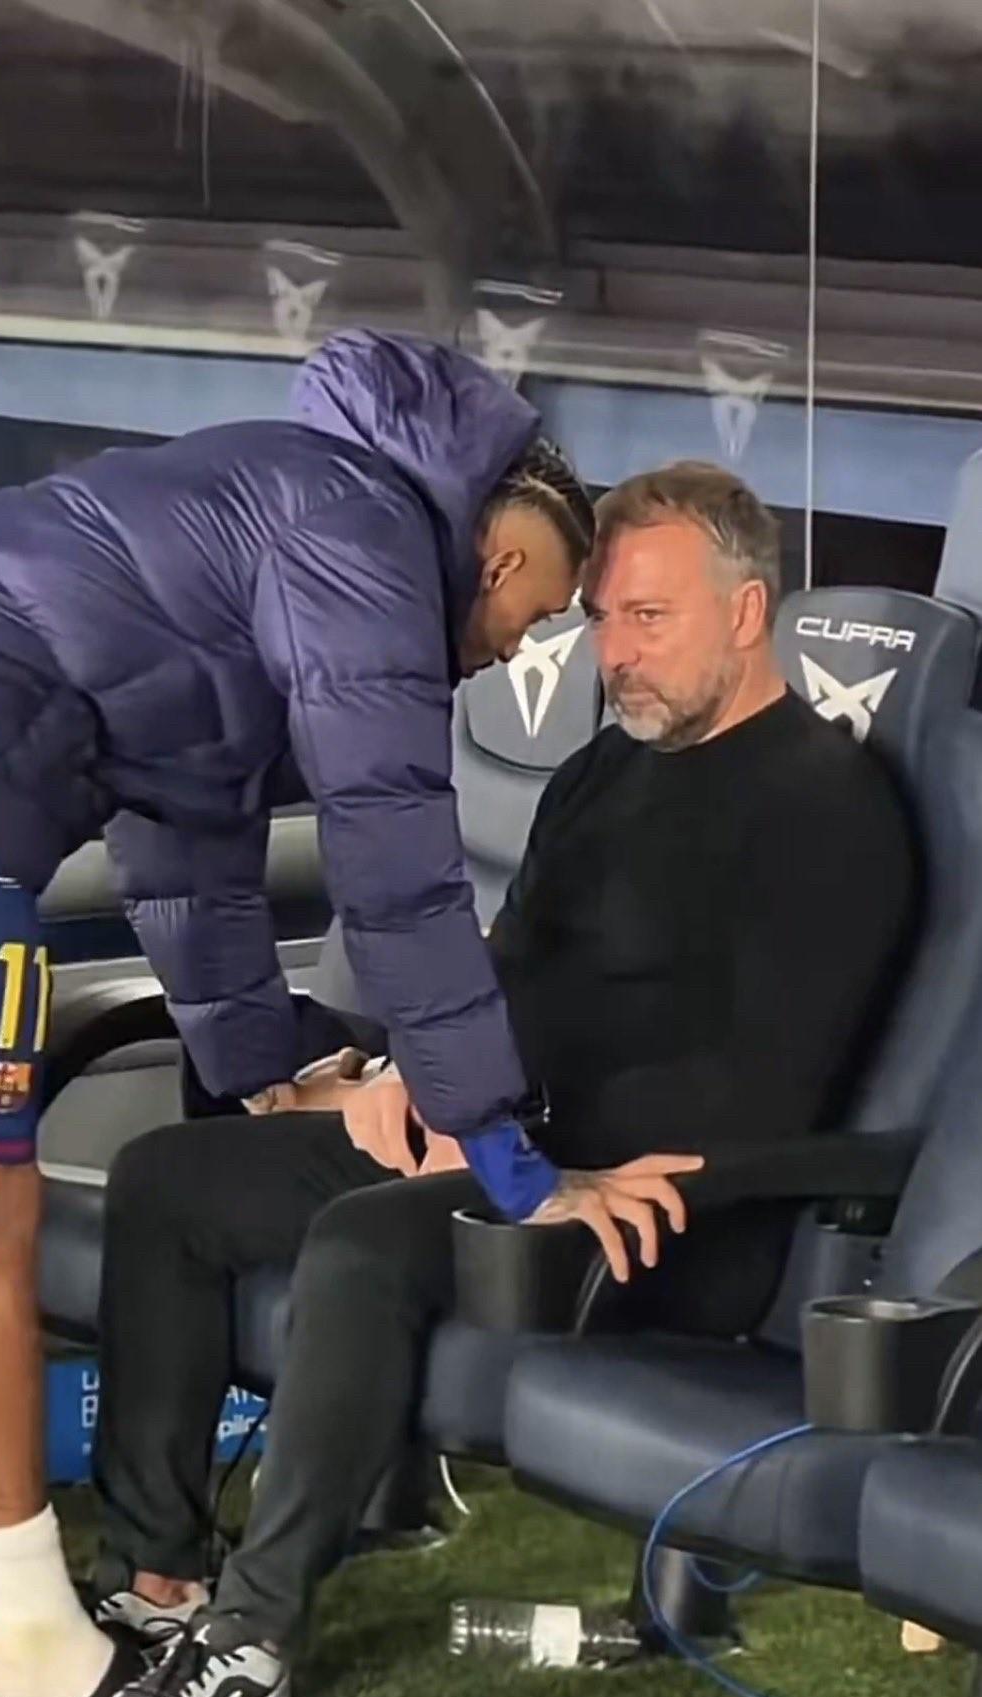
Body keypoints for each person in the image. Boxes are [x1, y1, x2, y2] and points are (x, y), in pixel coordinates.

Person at [0, 331, 597, 1697]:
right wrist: (502, 1148)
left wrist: (262, 1075)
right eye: (528, 601)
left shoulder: (276, 493)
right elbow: (396, 864)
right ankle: (34, 1628)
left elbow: (185, 836)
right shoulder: (366, 536)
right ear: (490, 538)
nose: (515, 639)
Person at [87, 462, 918, 1697]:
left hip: (662, 1211)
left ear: (746, 612)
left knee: (365, 1240)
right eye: (604, 618)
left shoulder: (827, 807)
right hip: (511, 1155)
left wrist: (511, 1143)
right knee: (166, 1180)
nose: (615, 654)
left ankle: (252, 1634)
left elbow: (753, 1083)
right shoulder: (599, 772)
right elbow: (501, 969)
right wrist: (414, 1075)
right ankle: (156, 1577)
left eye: (650, 619)